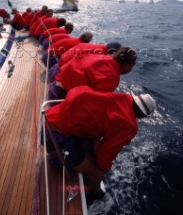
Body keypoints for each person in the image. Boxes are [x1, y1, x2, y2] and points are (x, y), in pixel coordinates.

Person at [44, 85, 157, 214]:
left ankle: (73, 162)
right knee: (97, 175)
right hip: (54, 136)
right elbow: (107, 152)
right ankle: (93, 202)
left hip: (49, 118)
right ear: (142, 116)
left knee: (93, 145)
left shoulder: (120, 98)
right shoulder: (129, 125)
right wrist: (102, 168)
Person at [49, 46, 136, 103]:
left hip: (55, 81)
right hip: (59, 96)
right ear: (127, 67)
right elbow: (92, 102)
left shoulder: (100, 56)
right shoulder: (112, 78)